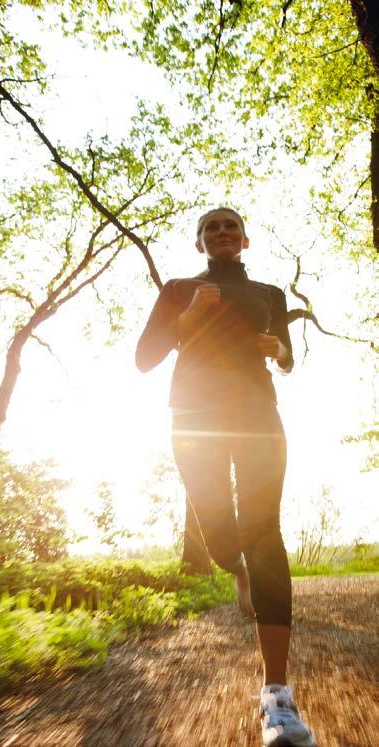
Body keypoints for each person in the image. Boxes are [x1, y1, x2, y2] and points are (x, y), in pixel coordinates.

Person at [135, 207, 316, 747]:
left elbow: (286, 360)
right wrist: (186, 321)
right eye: (210, 228)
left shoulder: (269, 294)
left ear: (244, 238)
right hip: (194, 420)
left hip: (259, 417)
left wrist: (278, 348)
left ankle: (277, 698)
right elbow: (144, 359)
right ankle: (234, 566)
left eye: (229, 225)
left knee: (265, 532)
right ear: (199, 244)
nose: (221, 232)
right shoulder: (177, 289)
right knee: (219, 536)